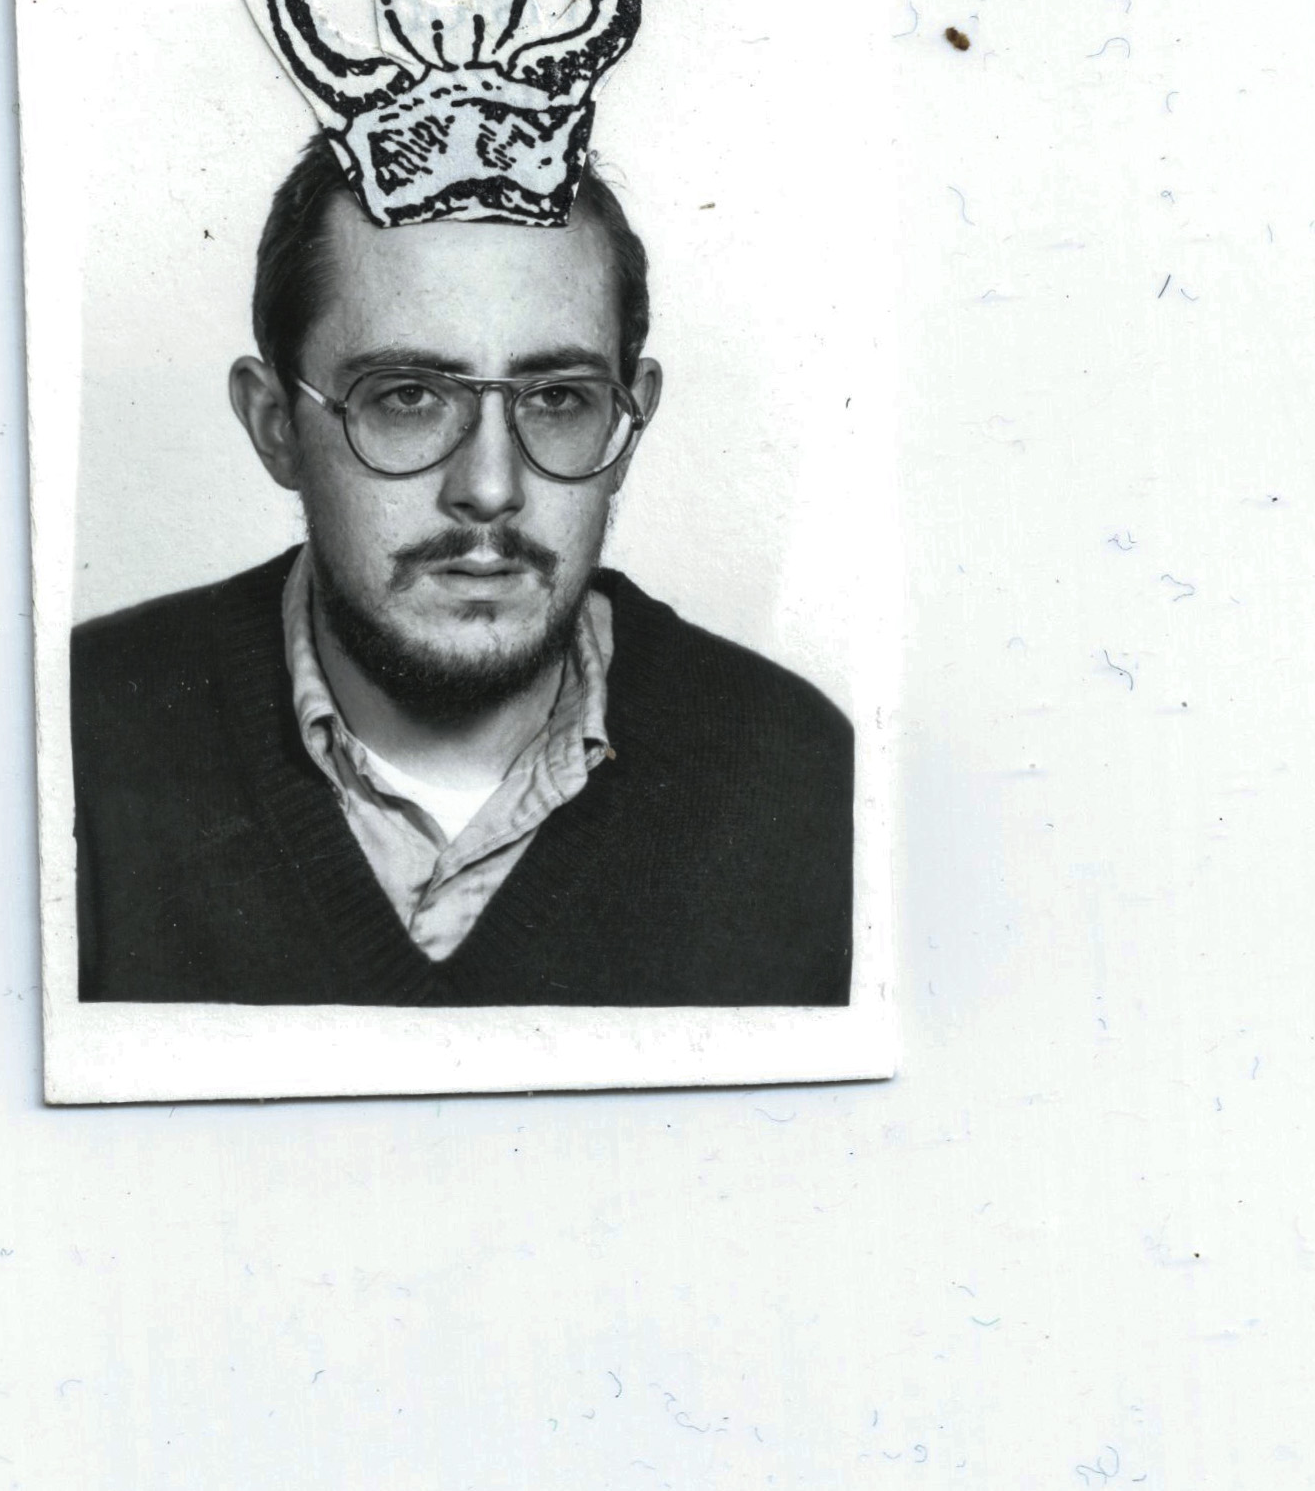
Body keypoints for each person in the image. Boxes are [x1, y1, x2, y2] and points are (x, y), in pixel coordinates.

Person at [69, 135, 855, 1006]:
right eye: (407, 396)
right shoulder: (75, 732)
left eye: (557, 399)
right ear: (275, 423)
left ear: (626, 426)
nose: (489, 488)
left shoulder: (802, 778)